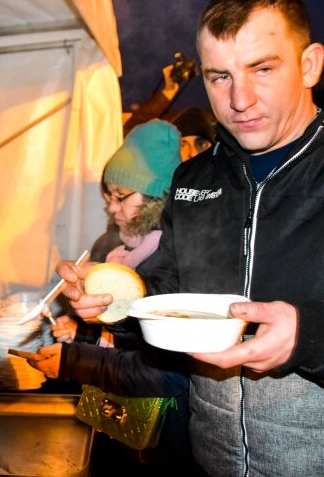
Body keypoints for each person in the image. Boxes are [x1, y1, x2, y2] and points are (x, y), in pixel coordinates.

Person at [55, 0, 324, 475]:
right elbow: (170, 297)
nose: (239, 99)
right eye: (219, 77)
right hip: (214, 461)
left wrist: (309, 336)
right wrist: (113, 303)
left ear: (310, 64)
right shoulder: (195, 178)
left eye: (262, 69)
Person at [18, 121, 200, 474]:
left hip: (166, 437)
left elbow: (169, 373)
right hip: (125, 424)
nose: (112, 208)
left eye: (121, 196)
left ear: (156, 197)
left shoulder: (174, 261)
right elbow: (124, 336)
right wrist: (82, 331)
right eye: (108, 197)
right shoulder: (119, 251)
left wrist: (74, 362)